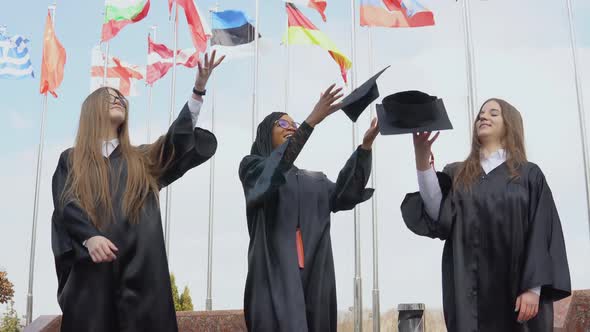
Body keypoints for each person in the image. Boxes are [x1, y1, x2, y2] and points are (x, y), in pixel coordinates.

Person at [51, 52, 224, 332]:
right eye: (108, 96)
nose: (118, 98)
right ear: (91, 110)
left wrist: (198, 91)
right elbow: (65, 202)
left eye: (120, 96)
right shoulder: (72, 159)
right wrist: (89, 236)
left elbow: (175, 144)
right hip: (93, 276)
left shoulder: (141, 160)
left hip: (142, 275)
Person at [401, 98, 571, 331]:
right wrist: (422, 159)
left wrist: (533, 288)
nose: (483, 117)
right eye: (481, 113)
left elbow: (541, 231)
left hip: (517, 293)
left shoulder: (529, 174)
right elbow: (438, 215)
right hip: (469, 293)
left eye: (493, 113)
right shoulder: (458, 173)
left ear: (509, 124)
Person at [238, 84, 379, 331]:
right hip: (273, 280)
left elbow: (346, 194)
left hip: (316, 280)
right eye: (282, 124)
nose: (291, 126)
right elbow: (273, 170)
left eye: (293, 123)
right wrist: (311, 120)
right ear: (264, 134)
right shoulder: (253, 169)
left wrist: (365, 149)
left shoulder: (315, 181)